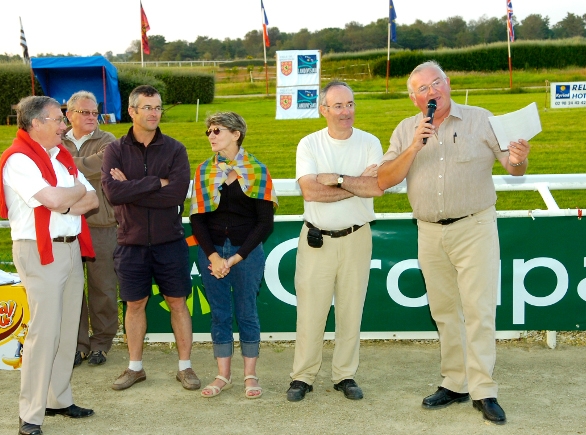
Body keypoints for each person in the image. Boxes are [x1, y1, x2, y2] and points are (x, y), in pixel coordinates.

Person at [378, 61, 530, 425]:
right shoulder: (405, 130)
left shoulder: (481, 119)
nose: (432, 92)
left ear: (448, 83)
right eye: (423, 88)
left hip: (474, 226)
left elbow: (512, 167)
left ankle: (484, 390)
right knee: (444, 311)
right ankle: (455, 382)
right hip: (429, 231)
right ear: (414, 98)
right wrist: (414, 147)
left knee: (478, 310)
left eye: (437, 83)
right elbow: (385, 178)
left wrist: (519, 160)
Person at [0, 96, 99, 435]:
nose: (64, 125)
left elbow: (92, 199)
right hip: (39, 252)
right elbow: (56, 198)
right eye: (58, 119)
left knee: (67, 330)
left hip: (70, 250)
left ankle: (58, 398)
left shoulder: (61, 156)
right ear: (35, 123)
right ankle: (30, 413)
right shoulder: (18, 159)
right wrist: (71, 194)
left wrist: (65, 202)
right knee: (44, 333)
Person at [287, 81, 384, 402]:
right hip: (317, 239)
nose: (346, 112)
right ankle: (302, 376)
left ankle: (345, 375)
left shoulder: (370, 142)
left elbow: (376, 187)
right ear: (324, 110)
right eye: (338, 106)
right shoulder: (309, 144)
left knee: (351, 310)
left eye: (350, 104)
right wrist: (356, 184)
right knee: (310, 312)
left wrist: (338, 180)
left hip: (357, 237)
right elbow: (311, 191)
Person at [102, 85, 199, 391]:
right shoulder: (115, 150)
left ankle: (185, 367)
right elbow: (113, 193)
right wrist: (157, 181)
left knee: (177, 302)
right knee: (134, 304)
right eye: (148, 108)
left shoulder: (175, 149)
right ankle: (135, 368)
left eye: (158, 107)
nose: (155, 113)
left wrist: (132, 187)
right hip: (130, 243)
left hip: (169, 241)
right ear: (132, 111)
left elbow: (176, 195)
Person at [189, 112, 278, 399]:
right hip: (211, 253)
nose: (211, 135)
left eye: (217, 130)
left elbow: (264, 223)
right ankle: (223, 375)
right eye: (209, 131)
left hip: (247, 253)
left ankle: (250, 375)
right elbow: (197, 219)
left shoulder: (257, 169)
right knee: (220, 314)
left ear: (236, 134)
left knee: (247, 312)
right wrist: (214, 257)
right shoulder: (204, 170)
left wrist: (236, 257)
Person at [62, 91, 118, 368]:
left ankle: (102, 343)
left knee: (103, 287)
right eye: (85, 112)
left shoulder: (109, 141)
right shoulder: (56, 139)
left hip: (101, 224)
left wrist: (62, 166)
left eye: (95, 112)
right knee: (71, 289)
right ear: (69, 114)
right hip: (64, 225)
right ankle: (78, 344)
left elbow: (101, 166)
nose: (92, 117)